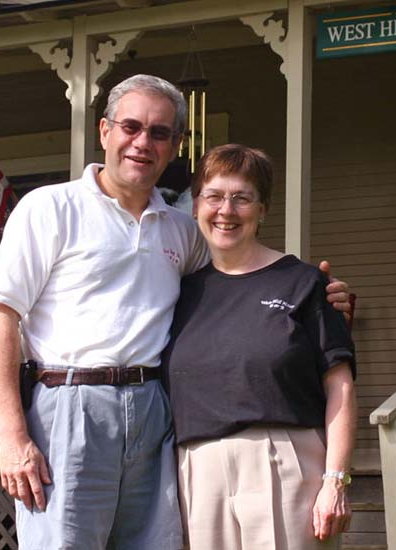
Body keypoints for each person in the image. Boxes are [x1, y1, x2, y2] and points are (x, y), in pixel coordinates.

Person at [0, 75, 352, 550]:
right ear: (104, 132)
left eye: (159, 133)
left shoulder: (182, 230)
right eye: (130, 127)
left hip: (154, 411)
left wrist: (320, 294)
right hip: (70, 406)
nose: (142, 142)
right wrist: (12, 435)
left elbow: (240, 273)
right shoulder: (50, 208)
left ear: (175, 145)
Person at [162, 144, 357, 550]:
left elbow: (340, 388)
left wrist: (335, 480)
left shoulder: (304, 284)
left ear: (263, 209)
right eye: (214, 196)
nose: (226, 210)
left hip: (284, 461)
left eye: (242, 197)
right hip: (197, 468)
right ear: (196, 205)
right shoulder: (180, 293)